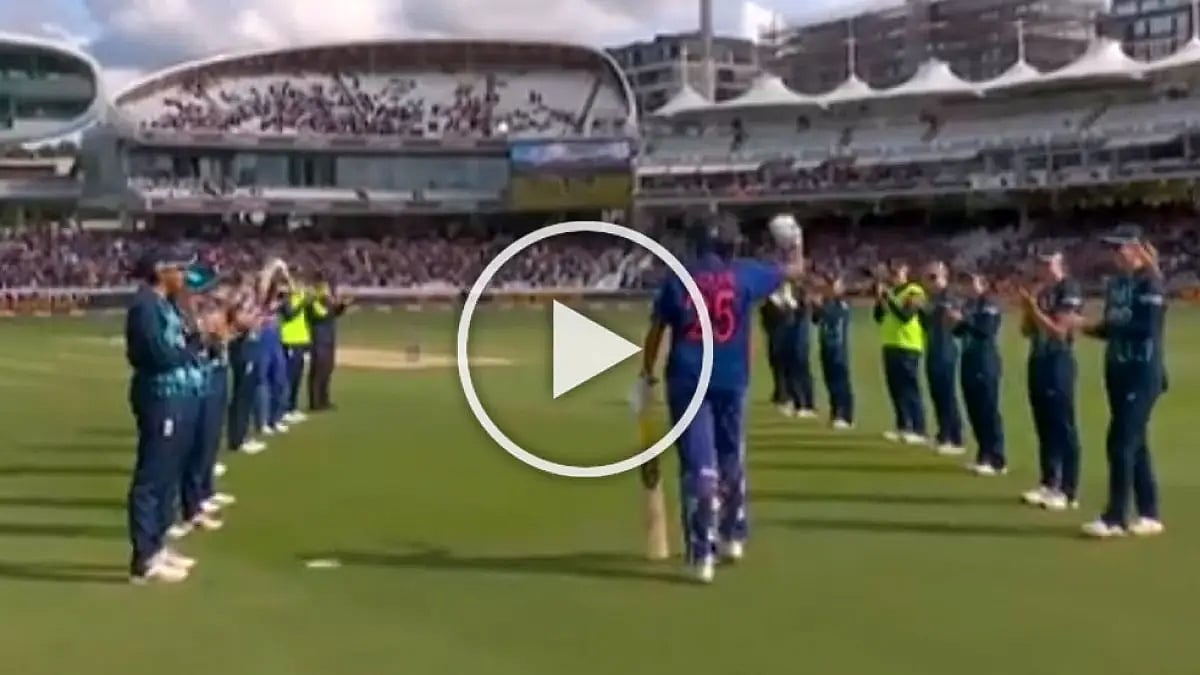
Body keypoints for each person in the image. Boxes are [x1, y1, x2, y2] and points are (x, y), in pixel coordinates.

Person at [638, 212, 805, 584]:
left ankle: (702, 553)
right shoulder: (745, 274)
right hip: (732, 378)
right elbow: (794, 270)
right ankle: (733, 533)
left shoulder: (679, 278)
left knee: (699, 465)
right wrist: (795, 240)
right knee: (731, 456)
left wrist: (646, 373)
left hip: (688, 378)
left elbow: (657, 329)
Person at [1080, 225, 1167, 539]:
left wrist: (1106, 327)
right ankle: (1149, 513)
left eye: (1121, 248)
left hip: (1142, 372)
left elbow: (1144, 327)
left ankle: (1115, 517)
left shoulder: (1151, 283)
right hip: (1117, 370)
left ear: (1138, 249)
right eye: (1112, 248)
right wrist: (1086, 327)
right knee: (1135, 443)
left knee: (1119, 442)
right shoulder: (1117, 284)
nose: (1115, 254)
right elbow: (1111, 326)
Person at [123, 247, 203, 584]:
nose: (183, 277)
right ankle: (144, 556)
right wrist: (191, 348)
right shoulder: (144, 307)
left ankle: (158, 544)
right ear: (160, 271)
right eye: (178, 270)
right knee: (152, 476)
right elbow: (157, 353)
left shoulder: (164, 305)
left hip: (177, 394)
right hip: (160, 395)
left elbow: (179, 342)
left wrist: (194, 340)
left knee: (169, 473)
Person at [1017, 250, 1083, 512]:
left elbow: (1059, 330)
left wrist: (1033, 308)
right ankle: (1048, 482)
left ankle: (1069, 490)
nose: (1043, 268)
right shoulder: (1042, 292)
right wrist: (1027, 308)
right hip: (1038, 361)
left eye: (1048, 263)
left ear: (1060, 265)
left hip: (1059, 362)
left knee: (1062, 426)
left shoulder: (1069, 289)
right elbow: (1026, 331)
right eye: (1040, 263)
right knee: (1043, 424)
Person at [949, 269, 1005, 476]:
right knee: (973, 409)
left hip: (985, 362)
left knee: (987, 410)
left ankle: (997, 458)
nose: (968, 286)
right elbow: (958, 332)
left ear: (983, 284)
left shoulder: (989, 304)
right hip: (969, 361)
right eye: (966, 282)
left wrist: (962, 321)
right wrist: (954, 322)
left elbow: (985, 330)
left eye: (973, 282)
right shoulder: (969, 305)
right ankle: (983, 455)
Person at [874, 261, 928, 445]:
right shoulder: (892, 292)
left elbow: (905, 316)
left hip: (908, 345)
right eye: (893, 272)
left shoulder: (914, 291)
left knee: (910, 387)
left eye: (898, 271)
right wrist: (880, 301)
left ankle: (919, 428)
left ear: (906, 272)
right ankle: (903, 425)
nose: (895, 275)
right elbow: (879, 317)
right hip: (890, 343)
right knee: (895, 388)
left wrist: (889, 299)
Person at [921, 261, 964, 455]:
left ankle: (955, 437)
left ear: (943, 277)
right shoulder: (932, 297)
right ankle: (943, 433)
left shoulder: (949, 296)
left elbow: (949, 319)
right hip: (933, 346)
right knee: (937, 392)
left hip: (946, 348)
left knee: (947, 393)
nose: (928, 282)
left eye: (932, 277)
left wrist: (926, 309)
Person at [812, 274, 854, 429]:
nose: (830, 289)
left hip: (838, 348)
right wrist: (817, 307)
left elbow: (831, 316)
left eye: (834, 286)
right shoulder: (827, 302)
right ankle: (835, 412)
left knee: (841, 382)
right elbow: (816, 320)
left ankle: (846, 415)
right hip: (826, 346)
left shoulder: (842, 304)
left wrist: (820, 307)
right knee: (830, 382)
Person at [306, 278, 351, 411]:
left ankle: (324, 400)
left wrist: (342, 305)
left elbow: (333, 313)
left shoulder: (326, 303)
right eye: (325, 288)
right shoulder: (314, 303)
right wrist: (332, 302)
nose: (327, 291)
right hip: (318, 339)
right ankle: (315, 402)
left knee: (327, 370)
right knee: (318, 372)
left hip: (328, 339)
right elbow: (323, 315)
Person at [779, 281, 817, 419]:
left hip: (800, 343)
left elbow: (799, 314)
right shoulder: (797, 308)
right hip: (793, 341)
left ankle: (808, 405)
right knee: (793, 373)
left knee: (802, 373)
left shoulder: (803, 308)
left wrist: (790, 303)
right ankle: (798, 403)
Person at [279, 279, 313, 424]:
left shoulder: (299, 297)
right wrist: (303, 302)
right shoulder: (286, 298)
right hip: (290, 340)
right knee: (289, 377)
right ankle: (284, 409)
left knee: (297, 376)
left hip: (300, 340)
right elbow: (289, 314)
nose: (301, 286)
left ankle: (292, 407)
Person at [759, 285, 788, 412]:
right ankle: (779, 392)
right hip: (774, 335)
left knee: (779, 364)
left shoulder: (780, 302)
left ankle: (783, 394)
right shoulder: (772, 301)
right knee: (775, 363)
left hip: (779, 336)